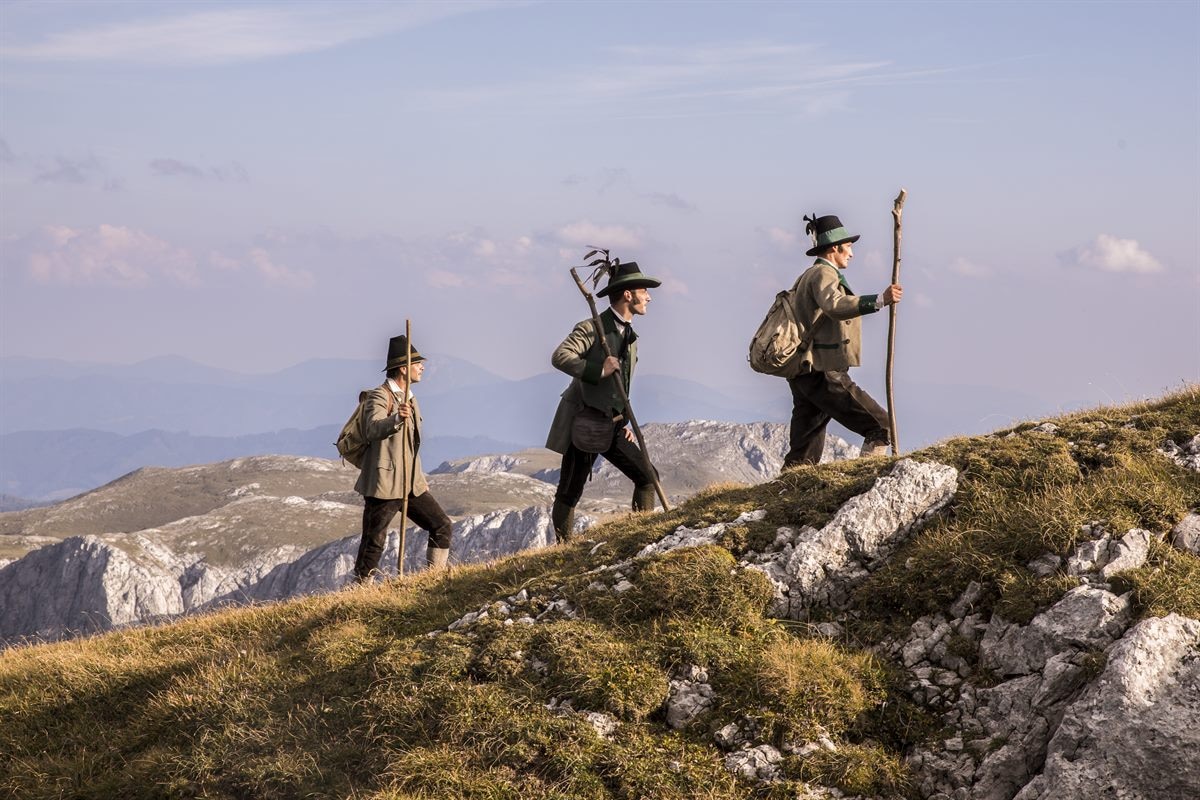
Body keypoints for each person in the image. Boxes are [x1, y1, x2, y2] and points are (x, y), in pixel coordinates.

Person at [546, 262, 662, 542]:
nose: (649, 297)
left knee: (648, 477)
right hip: (584, 422)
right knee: (570, 491)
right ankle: (564, 549)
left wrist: (622, 417)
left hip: (612, 424)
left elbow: (620, 384)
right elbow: (560, 356)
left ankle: (640, 537)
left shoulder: (629, 335)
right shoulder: (593, 328)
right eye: (644, 291)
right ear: (627, 295)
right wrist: (598, 370)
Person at [784, 213, 903, 467]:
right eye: (848, 247)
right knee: (882, 425)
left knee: (804, 451)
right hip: (823, 370)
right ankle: (868, 480)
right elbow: (834, 305)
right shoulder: (823, 274)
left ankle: (786, 493)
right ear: (835, 248)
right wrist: (879, 300)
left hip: (804, 371)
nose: (851, 253)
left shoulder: (808, 275)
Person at [352, 334, 452, 581]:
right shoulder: (379, 396)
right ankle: (360, 589)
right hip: (384, 484)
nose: (422, 367)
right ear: (404, 368)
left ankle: (433, 580)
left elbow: (410, 446)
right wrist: (396, 418)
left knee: (442, 525)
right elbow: (373, 428)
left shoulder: (410, 398)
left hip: (409, 483)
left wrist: (419, 478)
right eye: (418, 364)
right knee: (374, 541)